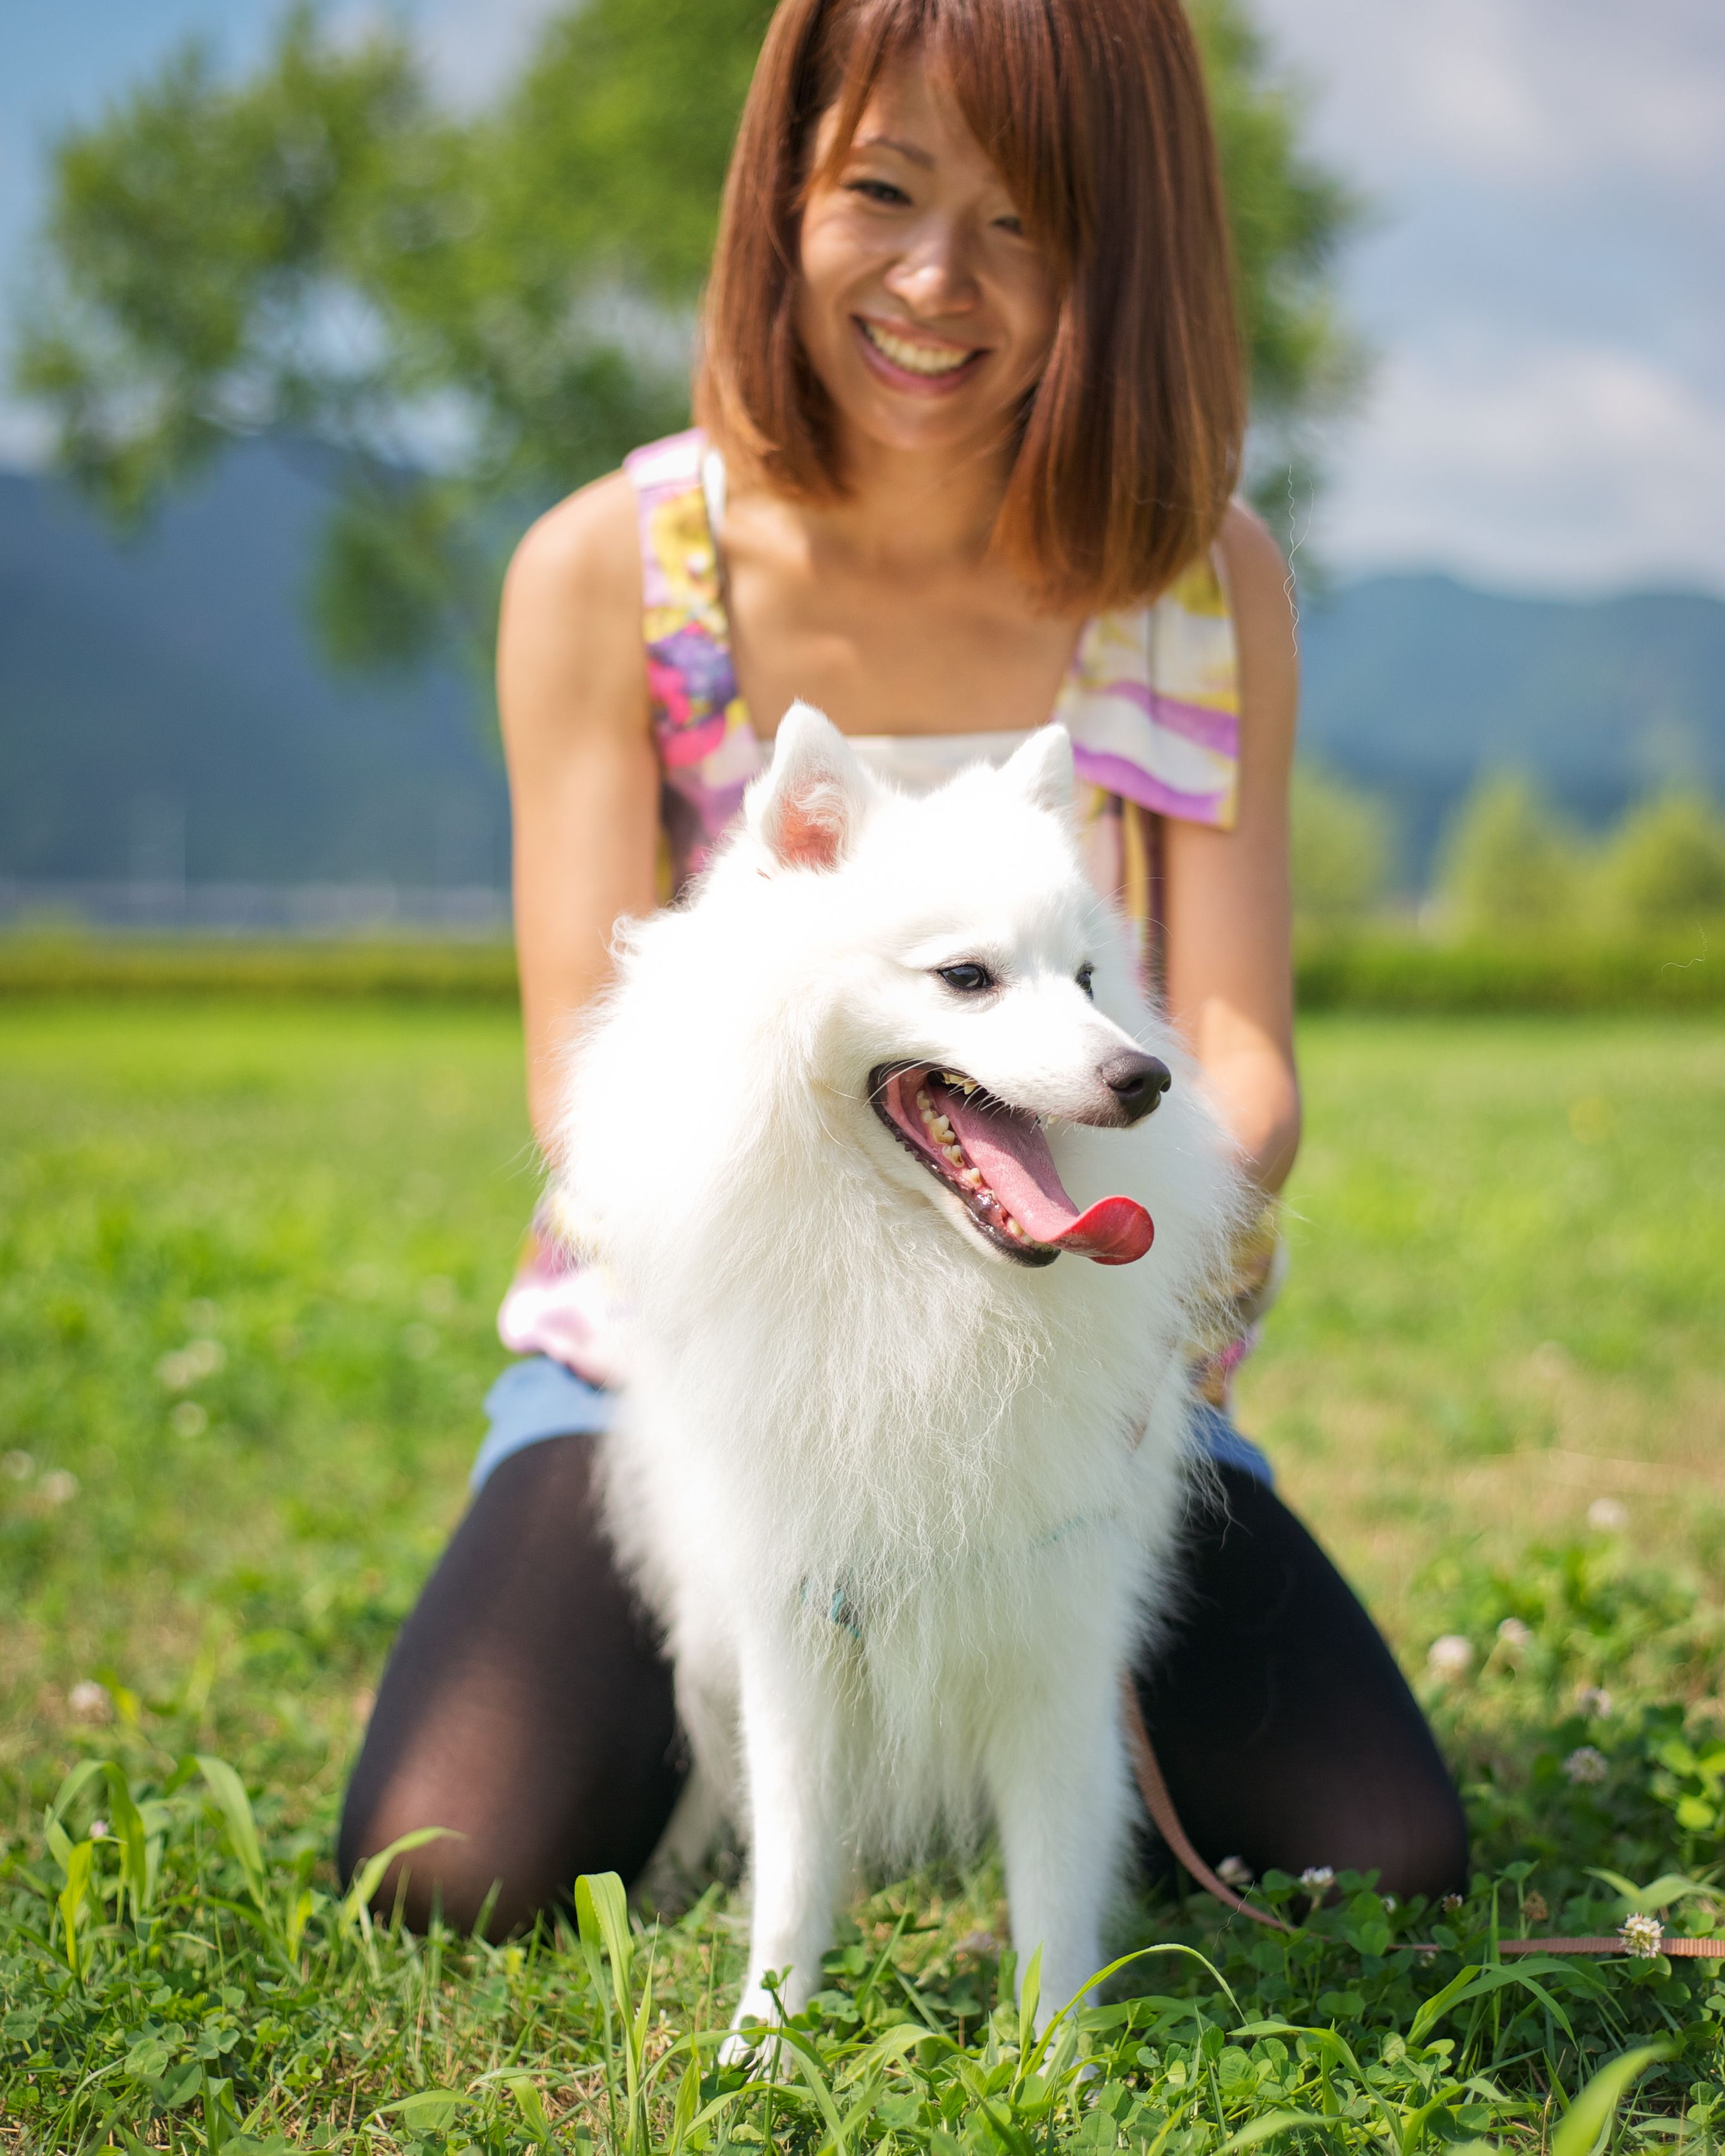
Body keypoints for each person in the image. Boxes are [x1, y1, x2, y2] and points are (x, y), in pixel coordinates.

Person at [339, 0, 1467, 1937]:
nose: (939, 281)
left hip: (1082, 1368)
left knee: (1381, 1862)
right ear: (781, 189)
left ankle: (970, 1730)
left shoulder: (1197, 588)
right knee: (454, 1864)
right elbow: (588, 1110)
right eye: (881, 189)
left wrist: (1071, 1267)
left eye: (1024, 221)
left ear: (1120, 250)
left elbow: (1233, 1053)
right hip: (697, 1372)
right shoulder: (610, 575)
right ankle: (798, 1727)